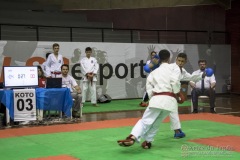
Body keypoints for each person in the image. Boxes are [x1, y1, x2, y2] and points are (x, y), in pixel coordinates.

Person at [117, 49, 184, 149]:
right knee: (157, 122)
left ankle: (132, 137)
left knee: (146, 121)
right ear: (169, 58)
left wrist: (151, 100)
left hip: (157, 99)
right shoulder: (175, 68)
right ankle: (147, 142)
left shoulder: (153, 73)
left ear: (159, 58)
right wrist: (178, 94)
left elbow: (149, 91)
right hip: (170, 102)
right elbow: (175, 82)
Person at [168, 53, 204, 138]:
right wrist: (178, 93)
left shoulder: (182, 71)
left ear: (185, 62)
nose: (180, 63)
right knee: (165, 113)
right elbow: (175, 81)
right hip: (165, 91)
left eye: (182, 61)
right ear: (176, 59)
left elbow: (191, 77)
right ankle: (177, 131)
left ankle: (177, 131)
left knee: (172, 111)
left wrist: (203, 75)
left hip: (169, 93)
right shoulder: (172, 68)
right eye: (178, 60)